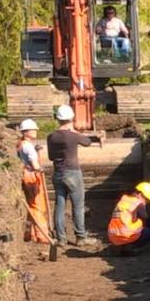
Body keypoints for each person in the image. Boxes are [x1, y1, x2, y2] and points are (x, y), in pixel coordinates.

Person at [46, 104, 102, 249]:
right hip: (72, 173)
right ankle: (81, 237)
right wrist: (75, 131)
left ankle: (61, 239)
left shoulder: (51, 137)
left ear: (57, 119)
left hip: (58, 173)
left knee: (59, 206)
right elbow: (88, 142)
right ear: (71, 118)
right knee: (78, 206)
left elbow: (51, 157)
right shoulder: (73, 136)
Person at [16, 119, 52, 245]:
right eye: (33, 130)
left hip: (27, 175)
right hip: (32, 177)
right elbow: (35, 166)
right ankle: (43, 235)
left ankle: (31, 233)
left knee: (32, 205)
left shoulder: (21, 144)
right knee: (37, 207)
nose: (36, 131)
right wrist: (40, 169)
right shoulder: (28, 147)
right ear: (26, 132)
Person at [106, 181, 150, 250]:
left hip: (113, 237)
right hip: (128, 236)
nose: (146, 202)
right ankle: (134, 247)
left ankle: (124, 245)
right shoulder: (138, 203)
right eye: (146, 199)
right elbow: (145, 217)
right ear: (140, 194)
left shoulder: (124, 199)